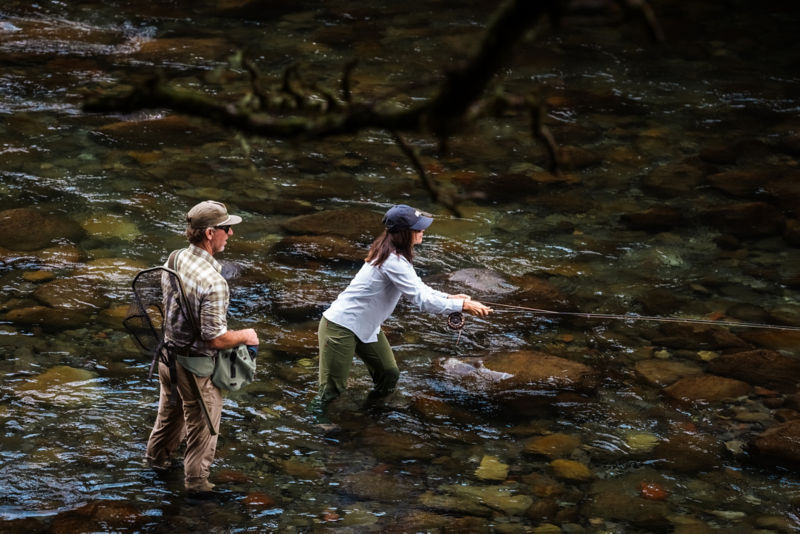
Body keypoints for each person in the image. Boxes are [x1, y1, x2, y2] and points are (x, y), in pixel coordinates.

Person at [312, 204, 492, 419]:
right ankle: (319, 422)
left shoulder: (395, 255)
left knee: (388, 374)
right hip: (340, 327)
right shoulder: (392, 261)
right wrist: (461, 306)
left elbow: (419, 288)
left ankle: (373, 411)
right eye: (418, 228)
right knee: (332, 389)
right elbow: (422, 301)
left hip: (366, 327)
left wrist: (449, 298)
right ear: (404, 234)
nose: (423, 231)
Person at [144, 200, 259, 493]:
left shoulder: (175, 257)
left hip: (167, 358)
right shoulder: (215, 282)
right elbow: (215, 339)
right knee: (202, 434)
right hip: (195, 370)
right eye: (226, 228)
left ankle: (154, 468)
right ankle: (197, 491)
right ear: (210, 233)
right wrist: (246, 335)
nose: (230, 234)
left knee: (168, 419)